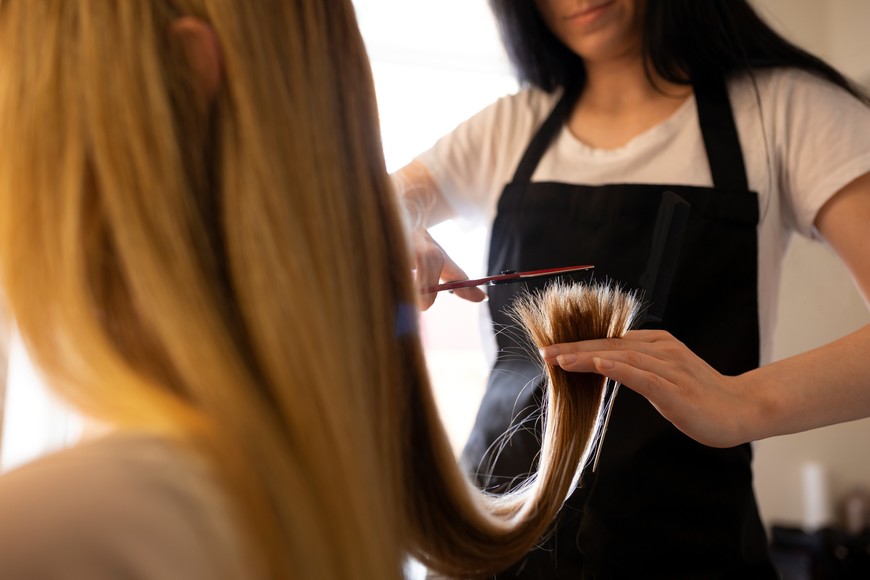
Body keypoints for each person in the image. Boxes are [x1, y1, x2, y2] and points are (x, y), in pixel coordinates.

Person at [0, 1, 638, 578]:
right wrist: (401, 226)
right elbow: (390, 196)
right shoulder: (307, 498)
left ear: (181, 78)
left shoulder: (51, 535)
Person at [394, 0, 870, 577]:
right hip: (493, 546)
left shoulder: (782, 111)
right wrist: (399, 225)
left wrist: (746, 402)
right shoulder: (512, 125)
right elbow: (384, 195)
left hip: (688, 551)